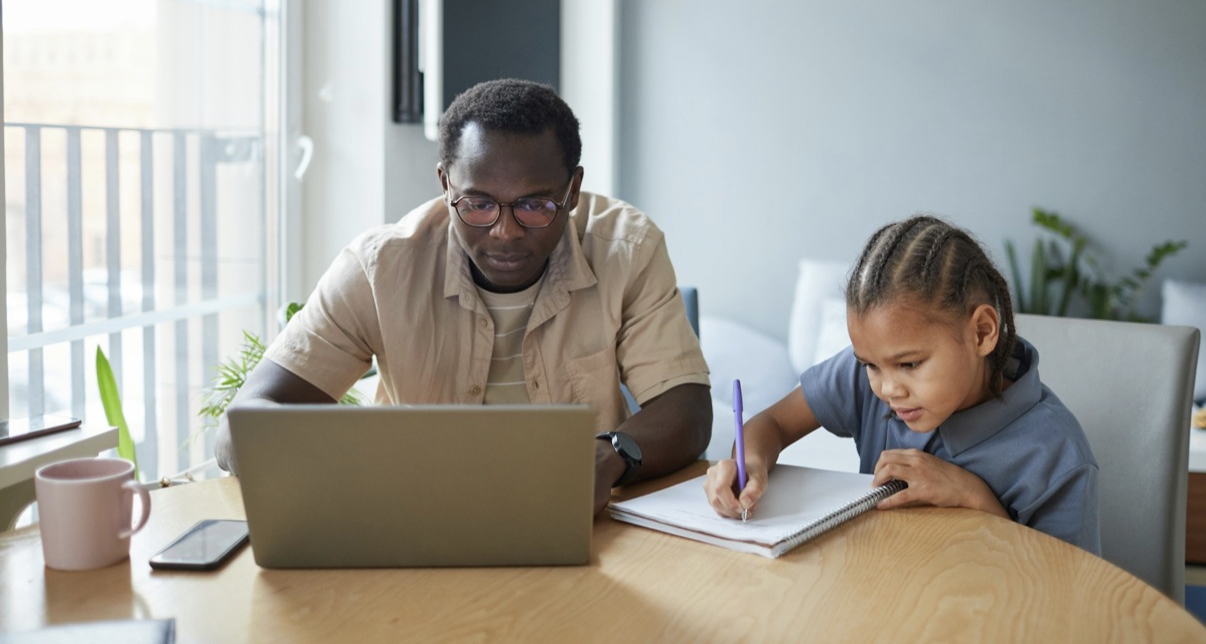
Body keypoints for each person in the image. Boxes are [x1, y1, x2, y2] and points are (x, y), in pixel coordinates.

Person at [216, 78, 712, 514]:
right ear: (445, 183)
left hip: (583, 526)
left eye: (535, 205)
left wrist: (611, 456)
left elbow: (687, 410)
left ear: (573, 189)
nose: (505, 232)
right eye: (477, 203)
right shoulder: (379, 268)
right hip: (414, 523)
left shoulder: (627, 248)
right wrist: (360, 469)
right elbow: (240, 429)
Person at [704, 215, 1101, 554]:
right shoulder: (872, 375)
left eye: (910, 364)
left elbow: (1064, 593)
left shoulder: (1058, 454)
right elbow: (771, 424)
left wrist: (972, 497)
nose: (887, 390)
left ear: (982, 332)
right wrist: (750, 463)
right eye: (870, 365)